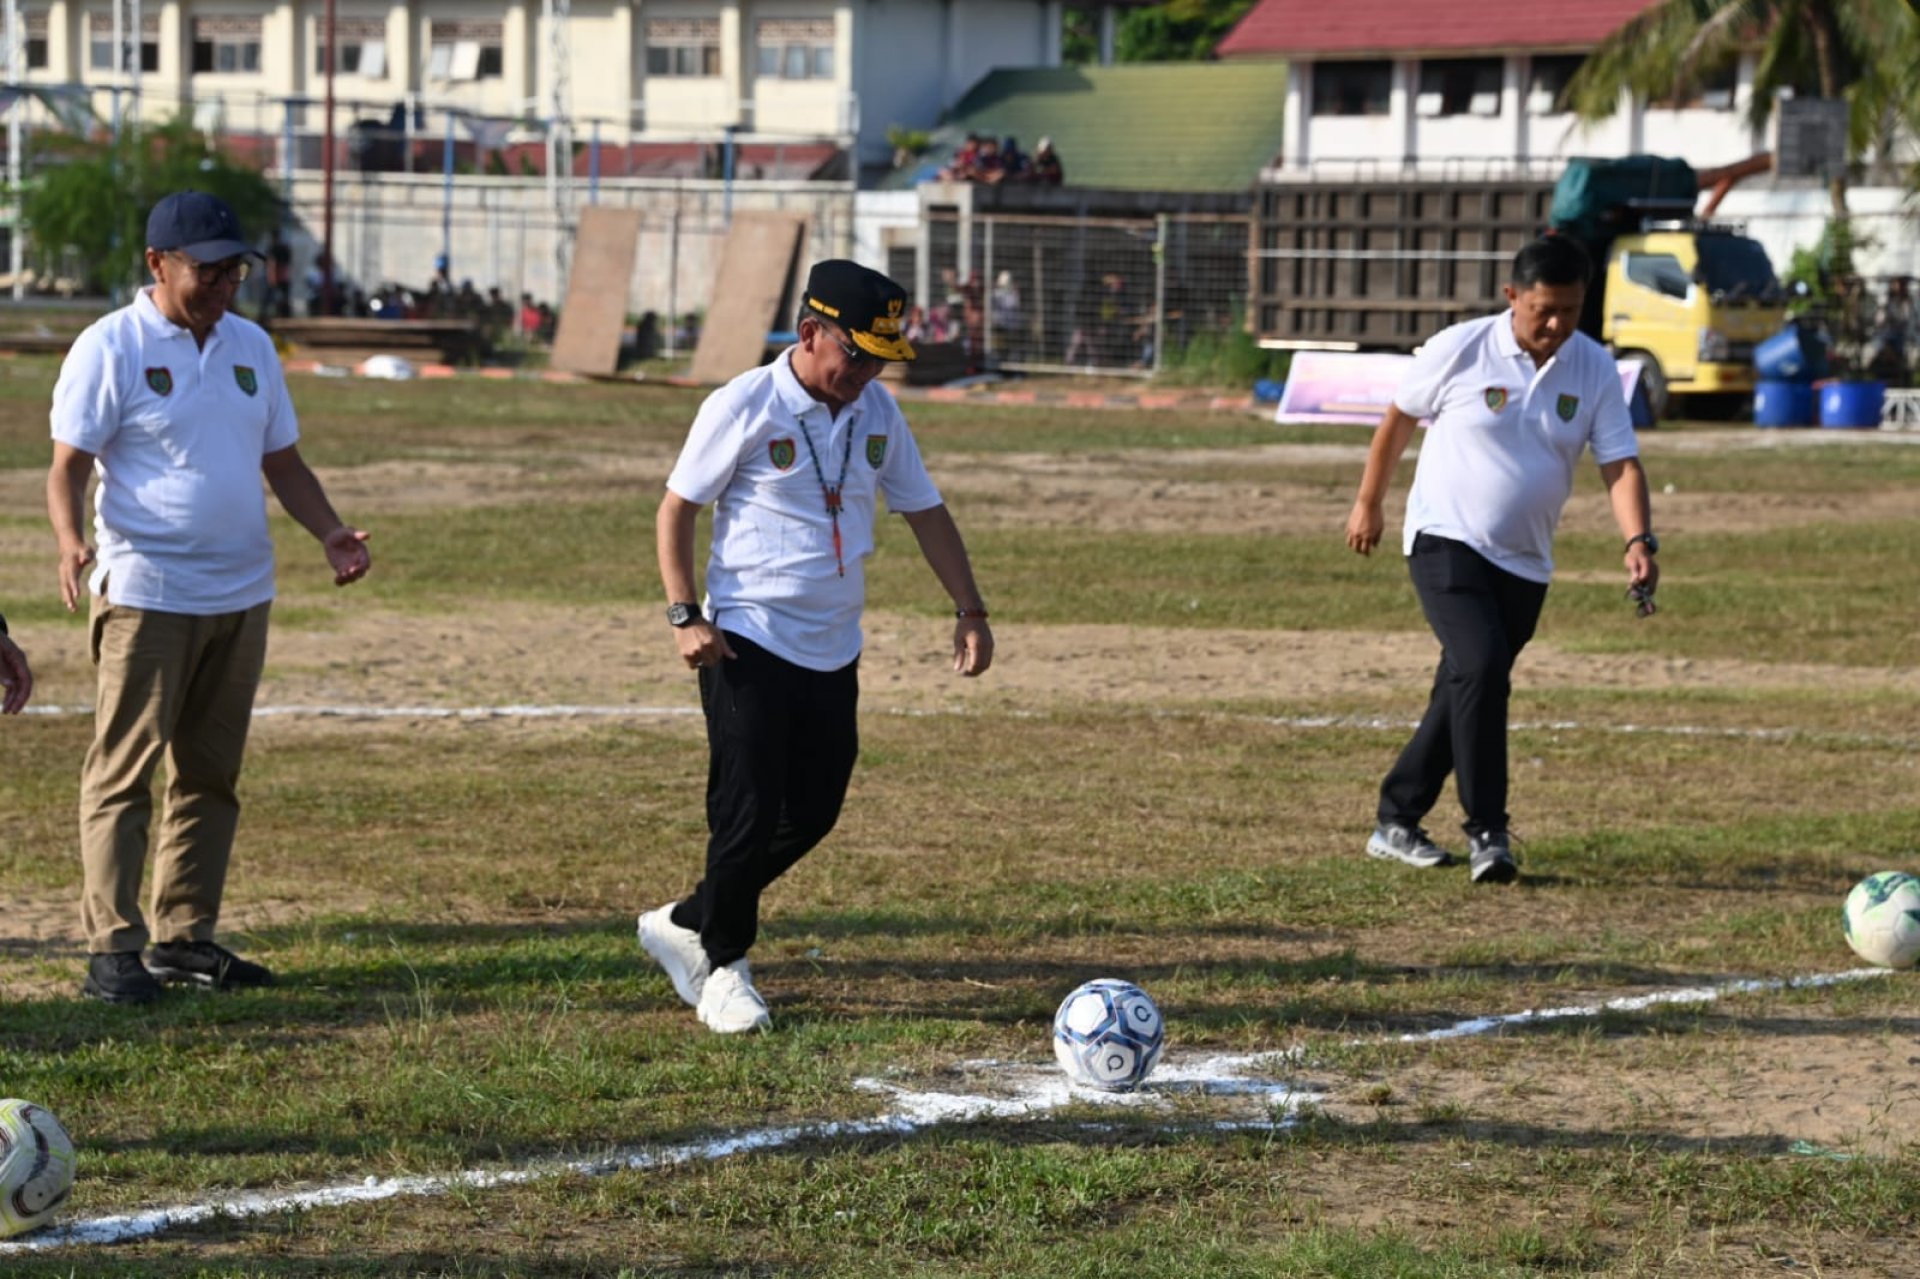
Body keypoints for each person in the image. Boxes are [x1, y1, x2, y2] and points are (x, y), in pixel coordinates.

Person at [642, 259, 994, 1034]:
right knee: (746, 806)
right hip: (747, 637)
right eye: (858, 355)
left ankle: (689, 918)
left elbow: (925, 510)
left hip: (834, 644)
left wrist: (969, 608)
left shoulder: (876, 414)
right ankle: (724, 968)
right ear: (811, 334)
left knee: (817, 806)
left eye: (880, 359)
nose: (868, 373)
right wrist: (684, 615)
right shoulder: (744, 403)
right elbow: (676, 510)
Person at [47, 191, 373, 1004]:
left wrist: (328, 531)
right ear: (158, 264)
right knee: (123, 772)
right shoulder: (110, 346)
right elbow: (68, 465)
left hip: (242, 592)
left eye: (236, 267)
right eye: (209, 267)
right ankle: (112, 947)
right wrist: (68, 539)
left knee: (210, 775)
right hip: (148, 591)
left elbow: (284, 464)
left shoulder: (252, 347)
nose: (226, 281)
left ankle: (184, 936)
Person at [1344, 235, 1657, 885]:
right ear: (1513, 296)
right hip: (1444, 537)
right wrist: (1368, 502)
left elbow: (1619, 463)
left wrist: (1637, 540)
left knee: (1465, 682)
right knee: (1483, 666)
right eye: (1543, 309)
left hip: (1525, 562)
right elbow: (1398, 420)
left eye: (1570, 311)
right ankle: (1489, 830)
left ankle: (1395, 819)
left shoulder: (1593, 368)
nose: (1555, 324)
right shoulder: (1462, 347)